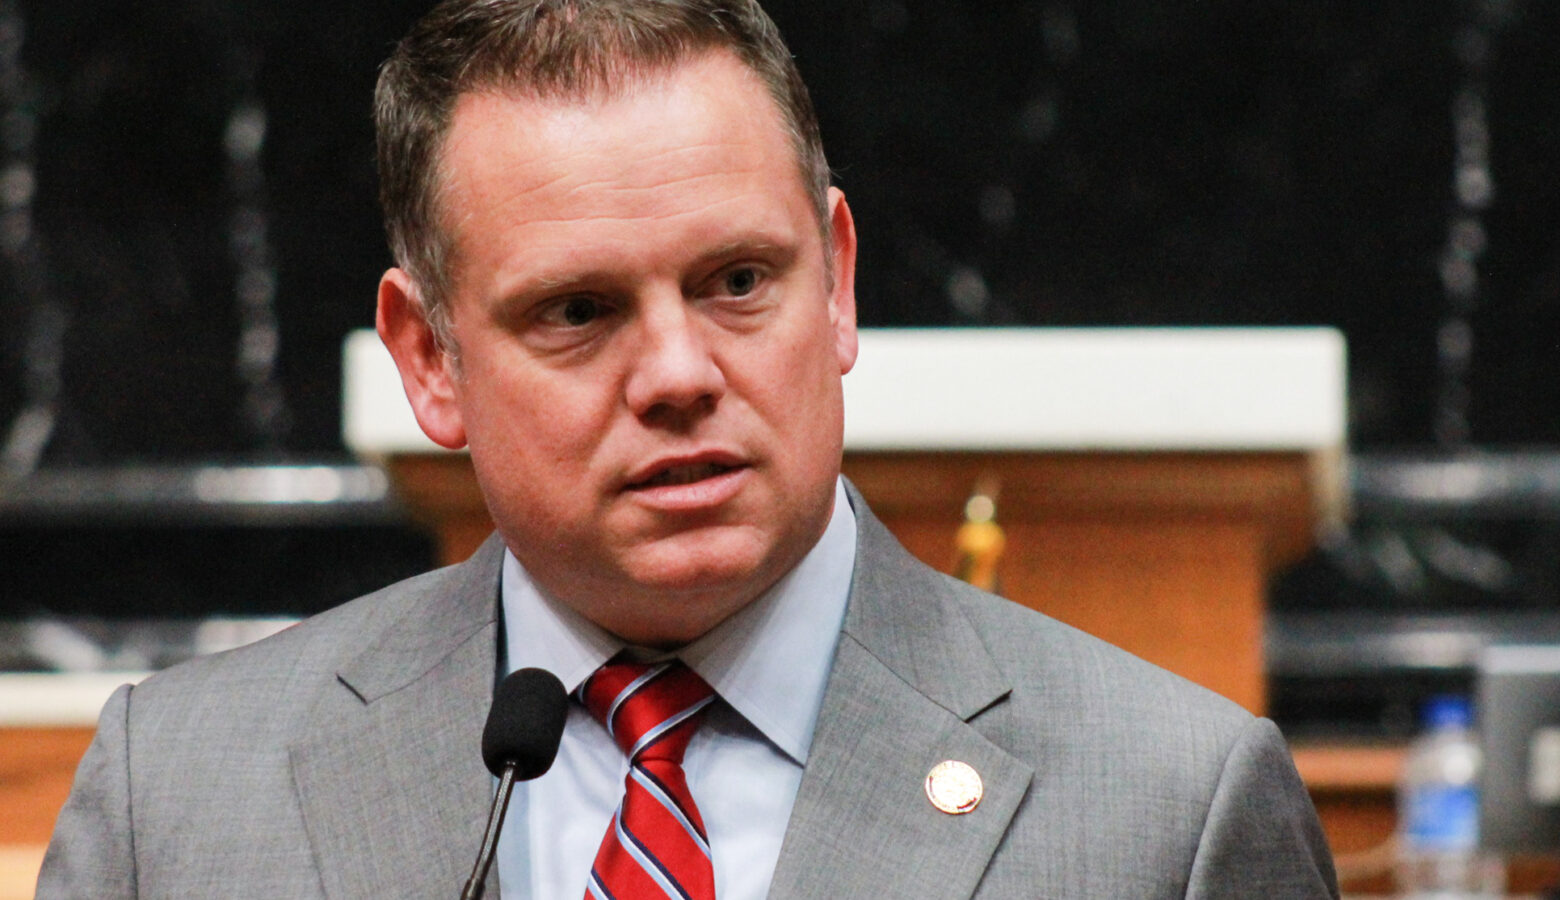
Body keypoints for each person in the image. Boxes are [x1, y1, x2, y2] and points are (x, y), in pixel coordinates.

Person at [37, 1, 1340, 897]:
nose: (676, 375)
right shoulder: (188, 797)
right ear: (429, 359)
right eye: (578, 311)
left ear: (835, 284)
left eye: (735, 281)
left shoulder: (1172, 811)